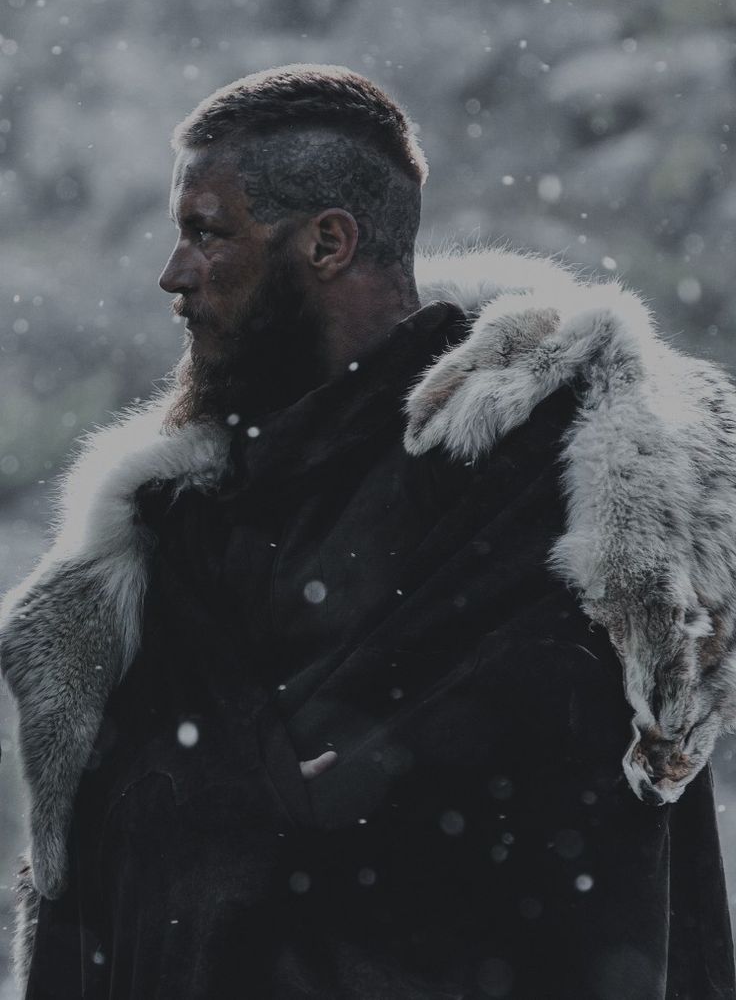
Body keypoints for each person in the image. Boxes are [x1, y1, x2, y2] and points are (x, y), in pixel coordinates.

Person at [2, 62, 736, 1000]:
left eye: (205, 232)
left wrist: (272, 815)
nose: (173, 273)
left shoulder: (541, 481)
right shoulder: (177, 536)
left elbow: (552, 825)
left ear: (329, 242)